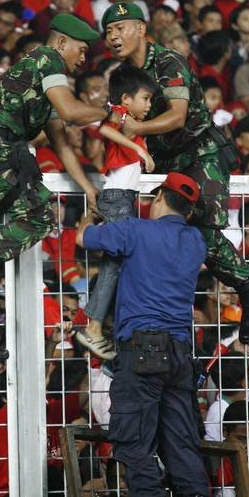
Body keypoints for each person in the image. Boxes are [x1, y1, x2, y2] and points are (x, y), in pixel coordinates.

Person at [102, 1, 249, 345]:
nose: (114, 37)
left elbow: (177, 116)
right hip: (159, 161)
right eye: (108, 32)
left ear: (142, 29)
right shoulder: (122, 76)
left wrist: (134, 128)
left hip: (198, 152)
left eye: (121, 28)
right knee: (162, 233)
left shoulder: (168, 61)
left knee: (203, 232)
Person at [0, 13, 110, 329]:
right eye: (81, 49)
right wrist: (112, 113)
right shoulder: (47, 60)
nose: (83, 58)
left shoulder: (44, 80)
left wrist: (88, 189)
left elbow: (62, 142)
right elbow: (72, 112)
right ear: (61, 42)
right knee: (39, 218)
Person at [76, 171, 209, 497]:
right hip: (180, 352)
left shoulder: (136, 230)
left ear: (158, 198)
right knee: (182, 444)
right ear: (189, 213)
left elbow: (84, 239)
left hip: (142, 350)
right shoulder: (196, 241)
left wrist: (86, 220)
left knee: (135, 444)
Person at [76, 65, 156, 359]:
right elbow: (105, 129)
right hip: (118, 199)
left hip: (123, 198)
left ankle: (97, 326)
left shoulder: (129, 120)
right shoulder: (121, 114)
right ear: (127, 98)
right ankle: (94, 327)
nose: (148, 105)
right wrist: (142, 151)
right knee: (117, 265)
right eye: (145, 98)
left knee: (116, 265)